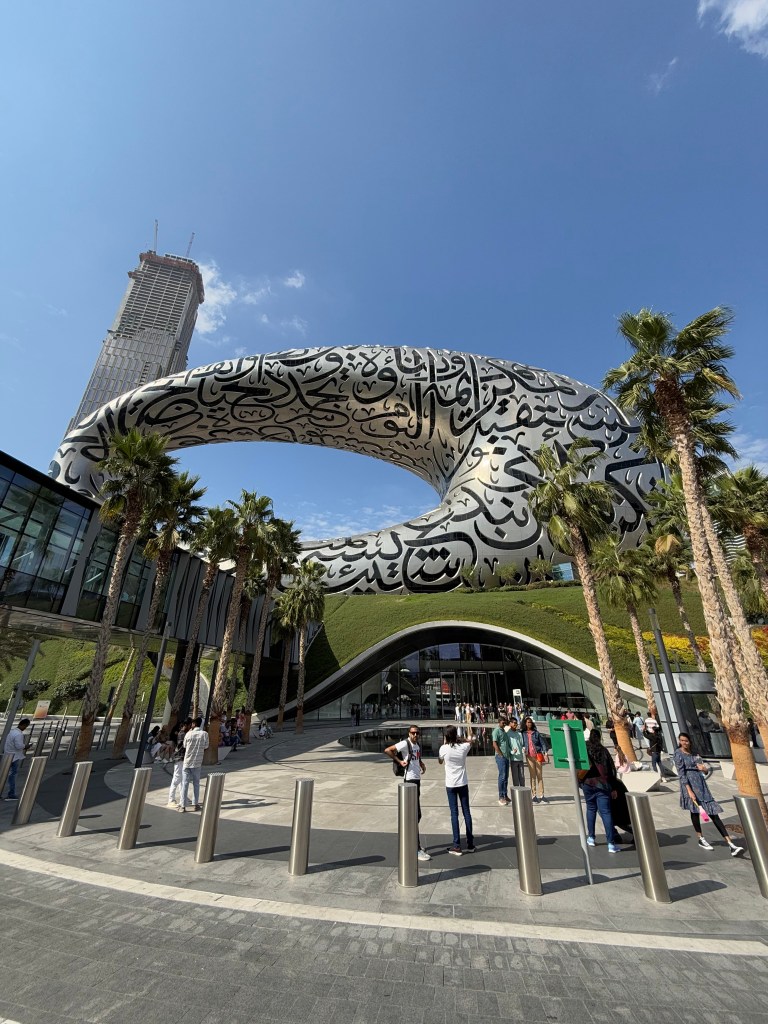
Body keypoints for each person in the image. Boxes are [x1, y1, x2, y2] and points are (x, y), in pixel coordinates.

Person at [673, 733, 744, 856]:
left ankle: (730, 843)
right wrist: (689, 791)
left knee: (713, 813)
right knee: (695, 812)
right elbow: (681, 774)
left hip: (701, 784)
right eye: (682, 740)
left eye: (686, 740)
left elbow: (704, 770)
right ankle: (701, 838)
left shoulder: (695, 753)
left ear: (690, 741)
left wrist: (704, 769)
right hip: (689, 784)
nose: (684, 743)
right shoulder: (678, 754)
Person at [385, 727, 431, 861]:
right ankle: (415, 848)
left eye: (417, 733)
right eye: (413, 733)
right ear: (409, 733)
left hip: (417, 780)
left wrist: (421, 763)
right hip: (409, 781)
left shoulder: (417, 745)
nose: (415, 735)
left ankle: (414, 844)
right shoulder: (405, 743)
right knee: (414, 815)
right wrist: (400, 761)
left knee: (417, 815)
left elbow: (415, 757)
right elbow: (388, 750)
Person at [581, 730, 622, 853]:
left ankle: (591, 837)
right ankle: (611, 843)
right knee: (606, 812)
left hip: (588, 783)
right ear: (599, 738)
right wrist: (613, 787)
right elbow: (611, 769)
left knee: (591, 809)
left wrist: (580, 782)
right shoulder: (603, 751)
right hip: (603, 785)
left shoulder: (585, 749)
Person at [438, 725, 476, 855]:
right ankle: (470, 844)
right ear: (456, 735)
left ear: (446, 736)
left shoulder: (443, 748)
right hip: (462, 783)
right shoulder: (463, 747)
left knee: (454, 814)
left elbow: (440, 761)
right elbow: (471, 741)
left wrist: (446, 743)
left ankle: (457, 845)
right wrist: (461, 739)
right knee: (467, 812)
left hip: (451, 784)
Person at [179, 716, 209, 812]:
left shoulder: (188, 734)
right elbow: (206, 746)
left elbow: (184, 745)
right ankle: (195, 804)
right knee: (196, 783)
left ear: (194, 724)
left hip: (187, 761)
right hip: (197, 762)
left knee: (185, 783)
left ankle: (183, 805)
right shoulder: (204, 734)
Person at [520, 716, 549, 803]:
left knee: (539, 775)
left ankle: (542, 795)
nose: (529, 724)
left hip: (538, 755)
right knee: (532, 776)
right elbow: (521, 743)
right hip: (529, 756)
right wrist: (522, 748)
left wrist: (545, 753)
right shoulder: (523, 733)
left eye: (530, 722)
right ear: (525, 724)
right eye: (528, 722)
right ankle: (534, 795)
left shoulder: (536, 733)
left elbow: (542, 743)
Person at [2, 717, 30, 800]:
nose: (25, 728)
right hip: (14, 756)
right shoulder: (18, 734)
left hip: (7, 755)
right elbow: (19, 746)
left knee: (4, 774)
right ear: (23, 725)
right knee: (12, 775)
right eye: (26, 726)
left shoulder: (12, 732)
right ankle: (11, 793)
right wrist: (26, 746)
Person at [167, 719, 192, 807]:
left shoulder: (183, 733)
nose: (191, 727)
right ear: (187, 725)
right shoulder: (183, 734)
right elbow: (185, 746)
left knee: (182, 779)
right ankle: (171, 799)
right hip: (179, 758)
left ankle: (183, 797)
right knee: (176, 779)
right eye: (190, 725)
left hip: (182, 758)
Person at [492, 716, 512, 805]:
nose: (504, 724)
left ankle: (505, 794)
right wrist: (500, 754)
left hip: (506, 756)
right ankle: (501, 797)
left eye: (505, 723)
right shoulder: (496, 731)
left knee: (506, 777)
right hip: (501, 757)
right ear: (499, 722)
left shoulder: (504, 730)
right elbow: (494, 744)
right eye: (503, 723)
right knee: (502, 777)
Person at [507, 716, 525, 788]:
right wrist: (511, 752)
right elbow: (507, 746)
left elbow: (522, 744)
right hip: (513, 759)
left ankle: (523, 792)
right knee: (515, 778)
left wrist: (523, 749)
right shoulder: (508, 734)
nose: (515, 724)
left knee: (522, 777)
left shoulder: (519, 734)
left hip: (520, 758)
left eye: (516, 723)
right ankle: (517, 792)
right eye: (514, 723)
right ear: (510, 724)